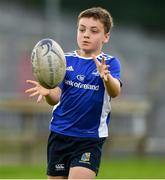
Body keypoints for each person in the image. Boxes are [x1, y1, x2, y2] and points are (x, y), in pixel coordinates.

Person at [25, 7, 122, 179]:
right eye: (82, 29)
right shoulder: (64, 60)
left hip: (90, 138)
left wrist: (106, 78)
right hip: (60, 134)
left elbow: (115, 92)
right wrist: (48, 92)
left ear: (106, 36)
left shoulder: (109, 63)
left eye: (94, 31)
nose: (86, 34)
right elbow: (55, 98)